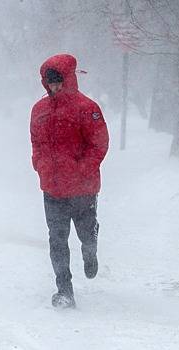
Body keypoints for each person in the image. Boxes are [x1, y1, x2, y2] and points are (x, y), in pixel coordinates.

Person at [30, 54, 109, 308]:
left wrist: (81, 170)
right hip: (52, 189)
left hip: (82, 189)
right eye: (49, 83)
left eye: (58, 82)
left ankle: (90, 248)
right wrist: (40, 166)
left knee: (84, 233)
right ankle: (65, 291)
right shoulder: (39, 110)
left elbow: (99, 144)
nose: (54, 88)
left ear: (68, 79)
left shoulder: (87, 108)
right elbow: (36, 144)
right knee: (57, 239)